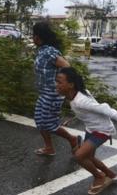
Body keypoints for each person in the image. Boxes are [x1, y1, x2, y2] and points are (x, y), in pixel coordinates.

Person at [55, 67, 117, 195]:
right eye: (56, 81)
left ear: (70, 85)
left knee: (79, 156)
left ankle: (99, 176)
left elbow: (105, 109)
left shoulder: (81, 100)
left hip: (102, 130)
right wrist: (72, 118)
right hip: (91, 128)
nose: (56, 85)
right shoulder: (75, 95)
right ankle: (111, 175)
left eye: (59, 82)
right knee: (89, 157)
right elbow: (87, 108)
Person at [32, 22, 80, 156]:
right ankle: (49, 148)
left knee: (48, 123)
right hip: (44, 92)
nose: (32, 38)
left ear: (37, 37)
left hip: (53, 93)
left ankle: (73, 139)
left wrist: (65, 87)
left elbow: (68, 67)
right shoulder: (42, 50)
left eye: (33, 35)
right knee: (39, 120)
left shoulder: (50, 52)